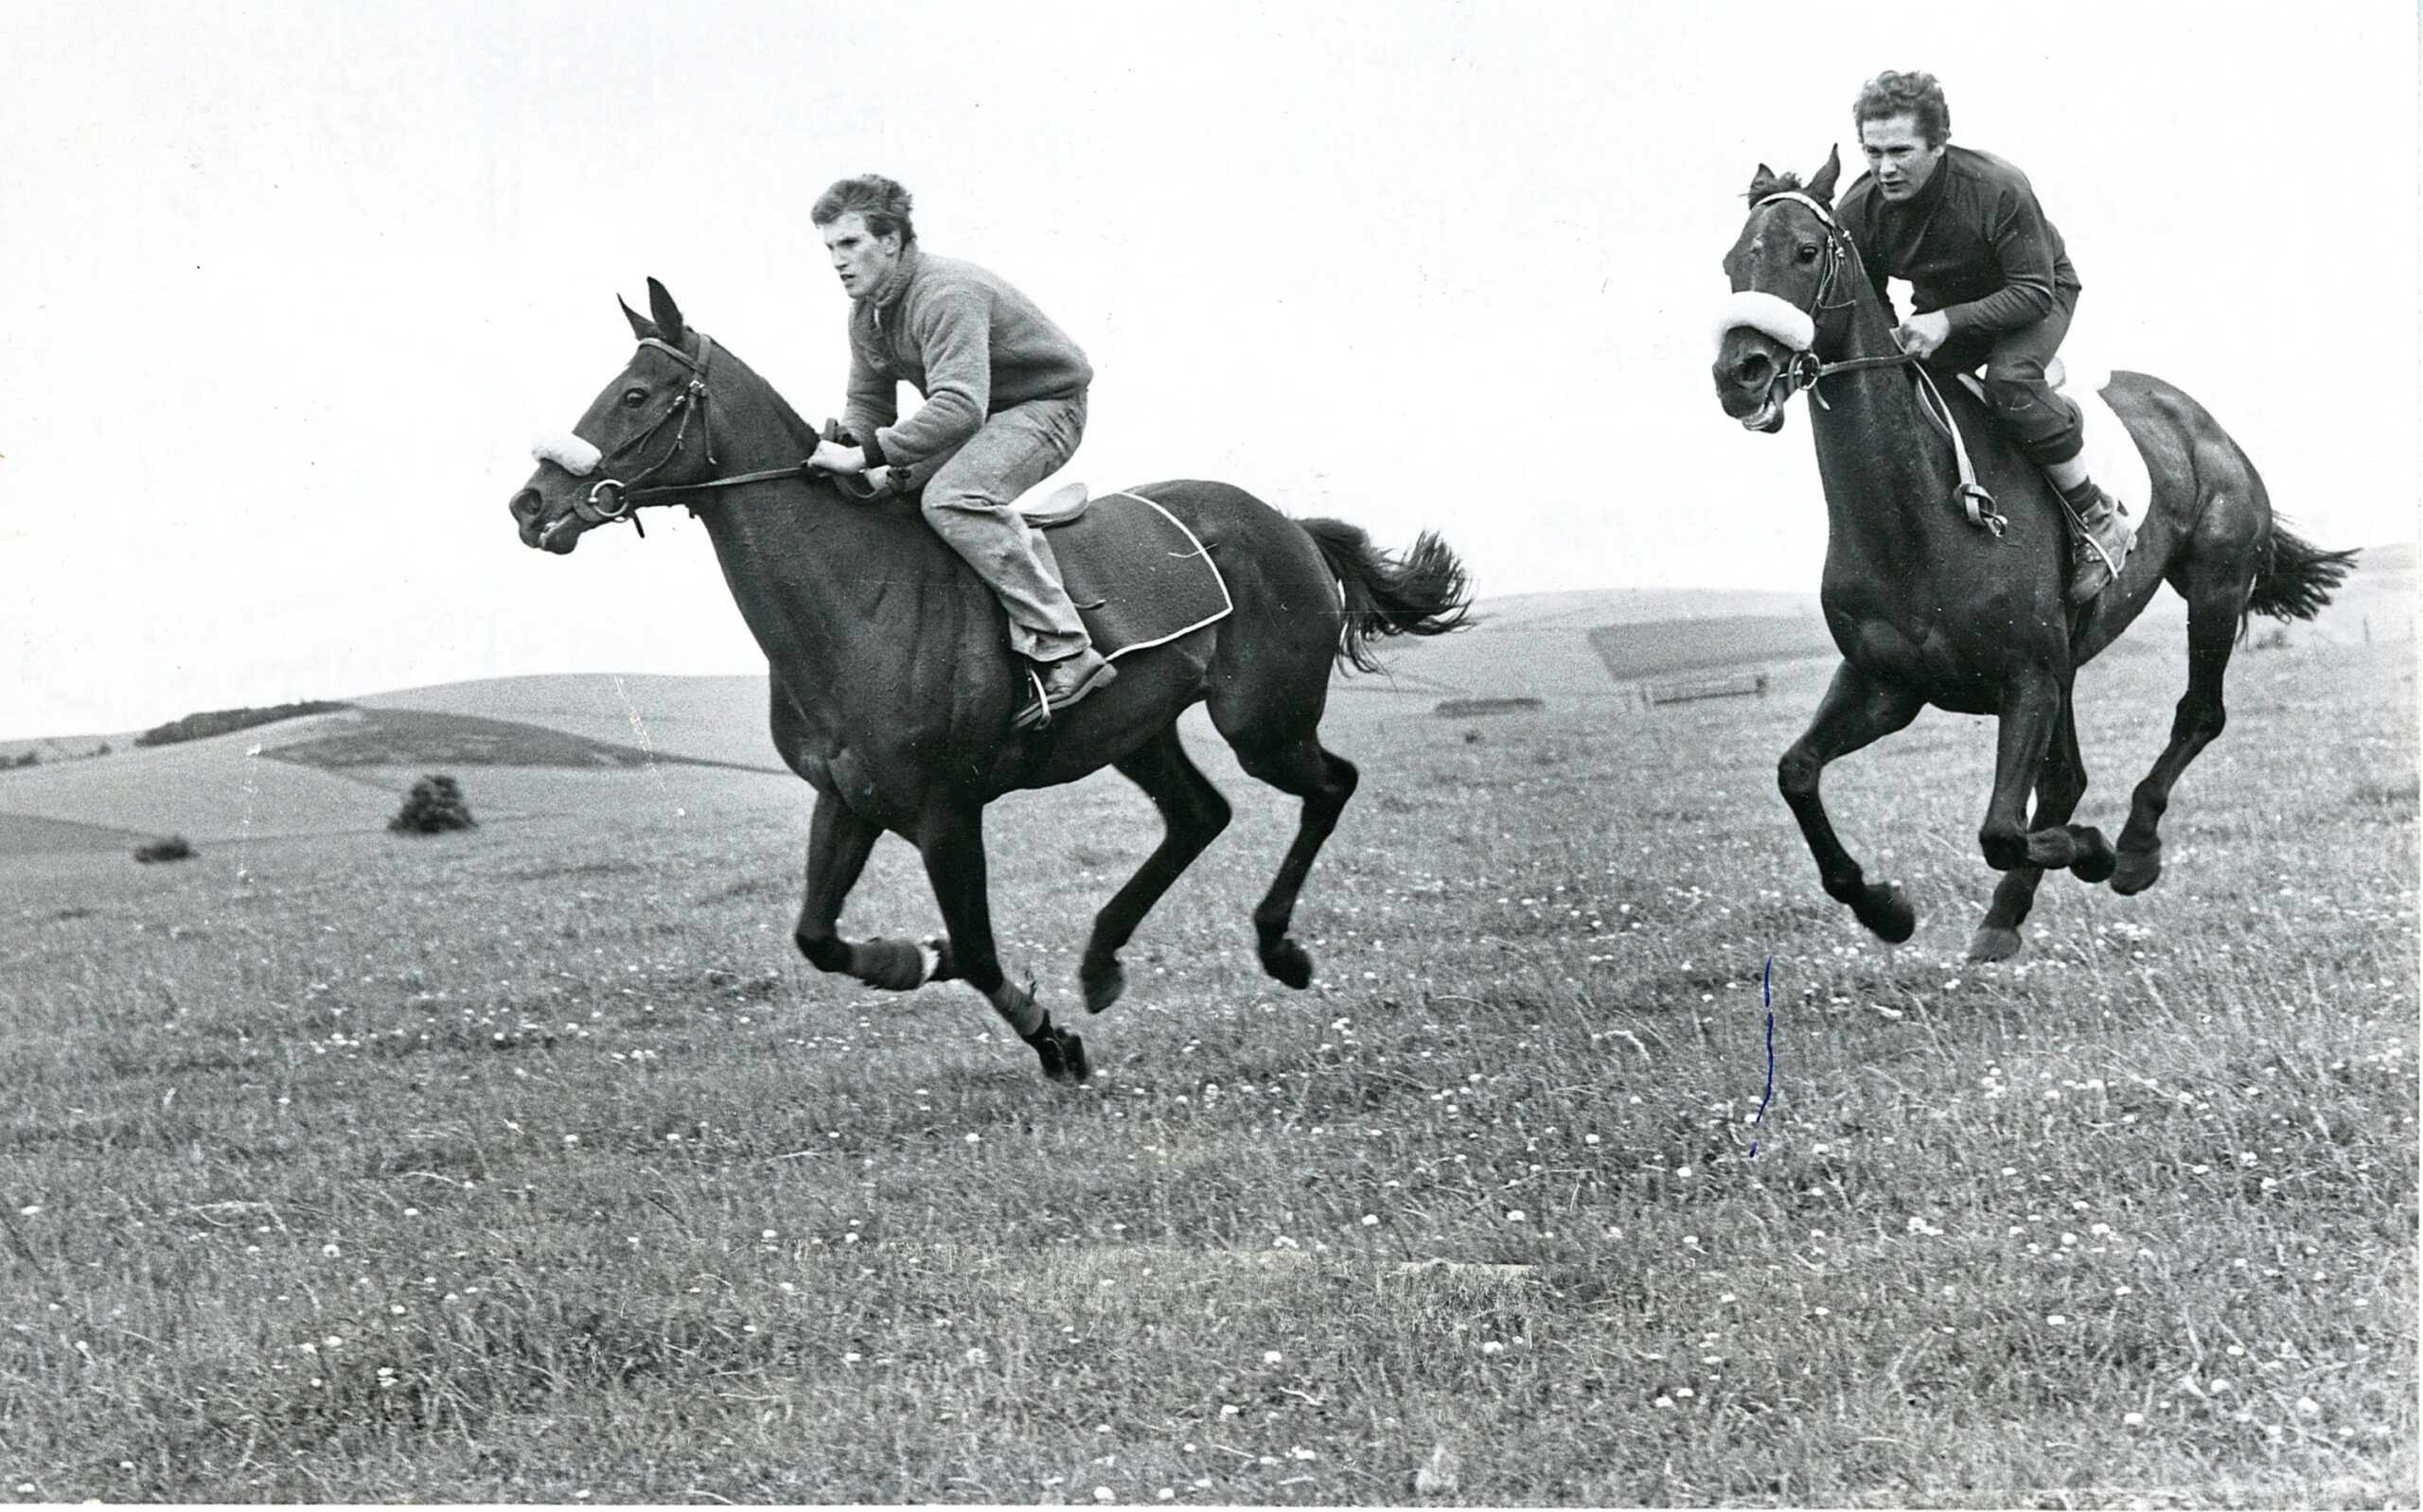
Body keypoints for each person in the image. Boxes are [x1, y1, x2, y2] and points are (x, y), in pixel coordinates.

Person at [805, 174, 1115, 726]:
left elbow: (960, 406)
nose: (836, 260)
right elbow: (868, 407)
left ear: (892, 241)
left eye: (849, 243)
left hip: (1046, 407)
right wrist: (851, 445)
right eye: (829, 246)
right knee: (887, 497)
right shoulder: (867, 314)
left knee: (953, 498)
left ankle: (1067, 649)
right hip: (980, 416)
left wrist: (868, 457)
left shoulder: (945, 292)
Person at [1836, 71, 2132, 604]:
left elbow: (2033, 293)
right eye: (1872, 151)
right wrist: (1889, 339)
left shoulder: (1997, 187)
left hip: (2032, 293)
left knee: (2011, 383)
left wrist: (1946, 322)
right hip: (1948, 307)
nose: (1885, 168)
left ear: (1940, 143)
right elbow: (1870, 294)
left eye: (1901, 150)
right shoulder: (1859, 209)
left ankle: (2097, 515)